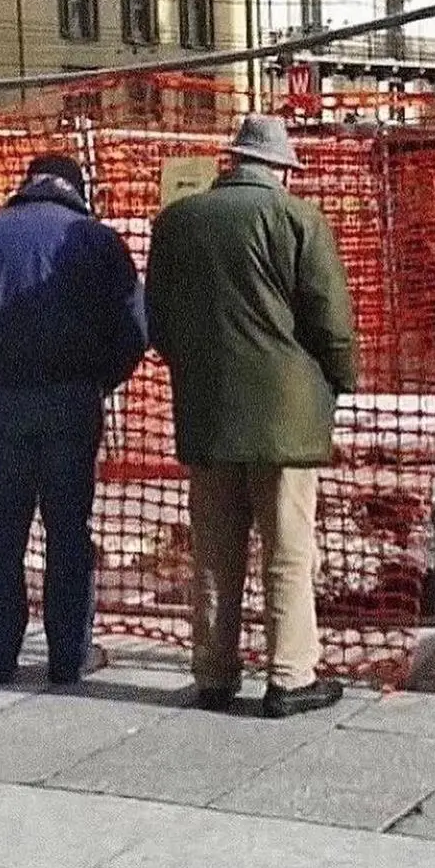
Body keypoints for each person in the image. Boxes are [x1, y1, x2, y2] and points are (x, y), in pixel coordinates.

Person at [146, 114, 359, 718]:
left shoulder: (177, 222)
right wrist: (342, 380)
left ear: (230, 162)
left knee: (214, 548)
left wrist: (195, 368)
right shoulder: (298, 220)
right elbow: (330, 318)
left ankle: (213, 673)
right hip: (287, 417)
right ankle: (290, 676)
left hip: (208, 412)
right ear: (280, 172)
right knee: (288, 550)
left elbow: (158, 320)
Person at [0, 154, 147, 686]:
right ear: (75, 188)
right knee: (69, 531)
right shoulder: (97, 240)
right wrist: (99, 382)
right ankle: (68, 655)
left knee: (3, 533)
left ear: (27, 184)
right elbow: (133, 329)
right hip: (71, 403)